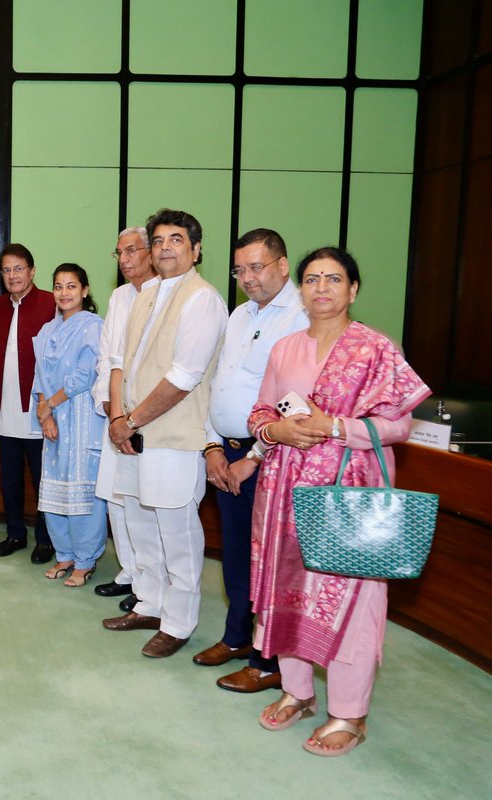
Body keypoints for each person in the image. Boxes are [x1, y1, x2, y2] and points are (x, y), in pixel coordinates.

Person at [250, 247, 428, 757]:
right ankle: (297, 691)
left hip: (351, 495)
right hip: (286, 490)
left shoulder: (375, 349)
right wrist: (276, 430)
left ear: (353, 289)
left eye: (333, 279)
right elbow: (260, 411)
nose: (321, 288)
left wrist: (334, 427)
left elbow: (399, 426)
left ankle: (350, 713)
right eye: (311, 279)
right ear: (300, 290)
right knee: (286, 590)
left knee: (353, 600)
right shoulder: (285, 347)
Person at [102, 208, 227, 659]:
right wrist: (118, 419)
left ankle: (179, 623)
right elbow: (120, 363)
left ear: (196, 249)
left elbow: (184, 375)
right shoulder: (146, 294)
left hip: (175, 437)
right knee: (140, 522)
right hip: (132, 433)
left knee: (177, 534)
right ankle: (150, 604)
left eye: (176, 239)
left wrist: (130, 421)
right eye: (158, 241)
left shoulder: (202, 299)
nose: (165, 247)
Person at [194, 229, 307, 692]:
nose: (247, 278)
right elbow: (216, 384)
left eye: (256, 267)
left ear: (283, 265)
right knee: (237, 553)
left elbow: (296, 402)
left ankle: (270, 660)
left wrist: (255, 457)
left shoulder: (301, 316)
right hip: (228, 452)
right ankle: (238, 637)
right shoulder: (240, 314)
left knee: (272, 560)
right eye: (240, 270)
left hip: (272, 458)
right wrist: (213, 447)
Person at [92, 227, 159, 609]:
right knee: (115, 497)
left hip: (146, 417)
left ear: (151, 252)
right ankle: (129, 571)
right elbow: (107, 356)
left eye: (132, 250)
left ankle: (149, 583)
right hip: (114, 414)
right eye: (119, 252)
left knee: (141, 501)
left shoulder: (164, 293)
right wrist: (108, 402)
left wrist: (131, 415)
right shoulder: (119, 297)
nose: (125, 259)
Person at [33, 264, 108, 586]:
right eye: (59, 286)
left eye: (71, 286)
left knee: (83, 492)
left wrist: (49, 405)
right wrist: (45, 413)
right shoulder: (47, 330)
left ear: (85, 290)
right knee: (54, 489)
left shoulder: (93, 326)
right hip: (52, 421)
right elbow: (39, 375)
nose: (64, 293)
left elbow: (84, 376)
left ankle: (85, 560)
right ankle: (64, 554)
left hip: (81, 419)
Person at [0, 243, 56, 563]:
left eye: (18, 268)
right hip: (7, 409)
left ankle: (46, 539)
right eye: (6, 270)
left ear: (32, 271)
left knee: (43, 478)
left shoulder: (51, 303)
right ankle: (15, 533)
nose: (13, 275)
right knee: (10, 479)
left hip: (40, 410)